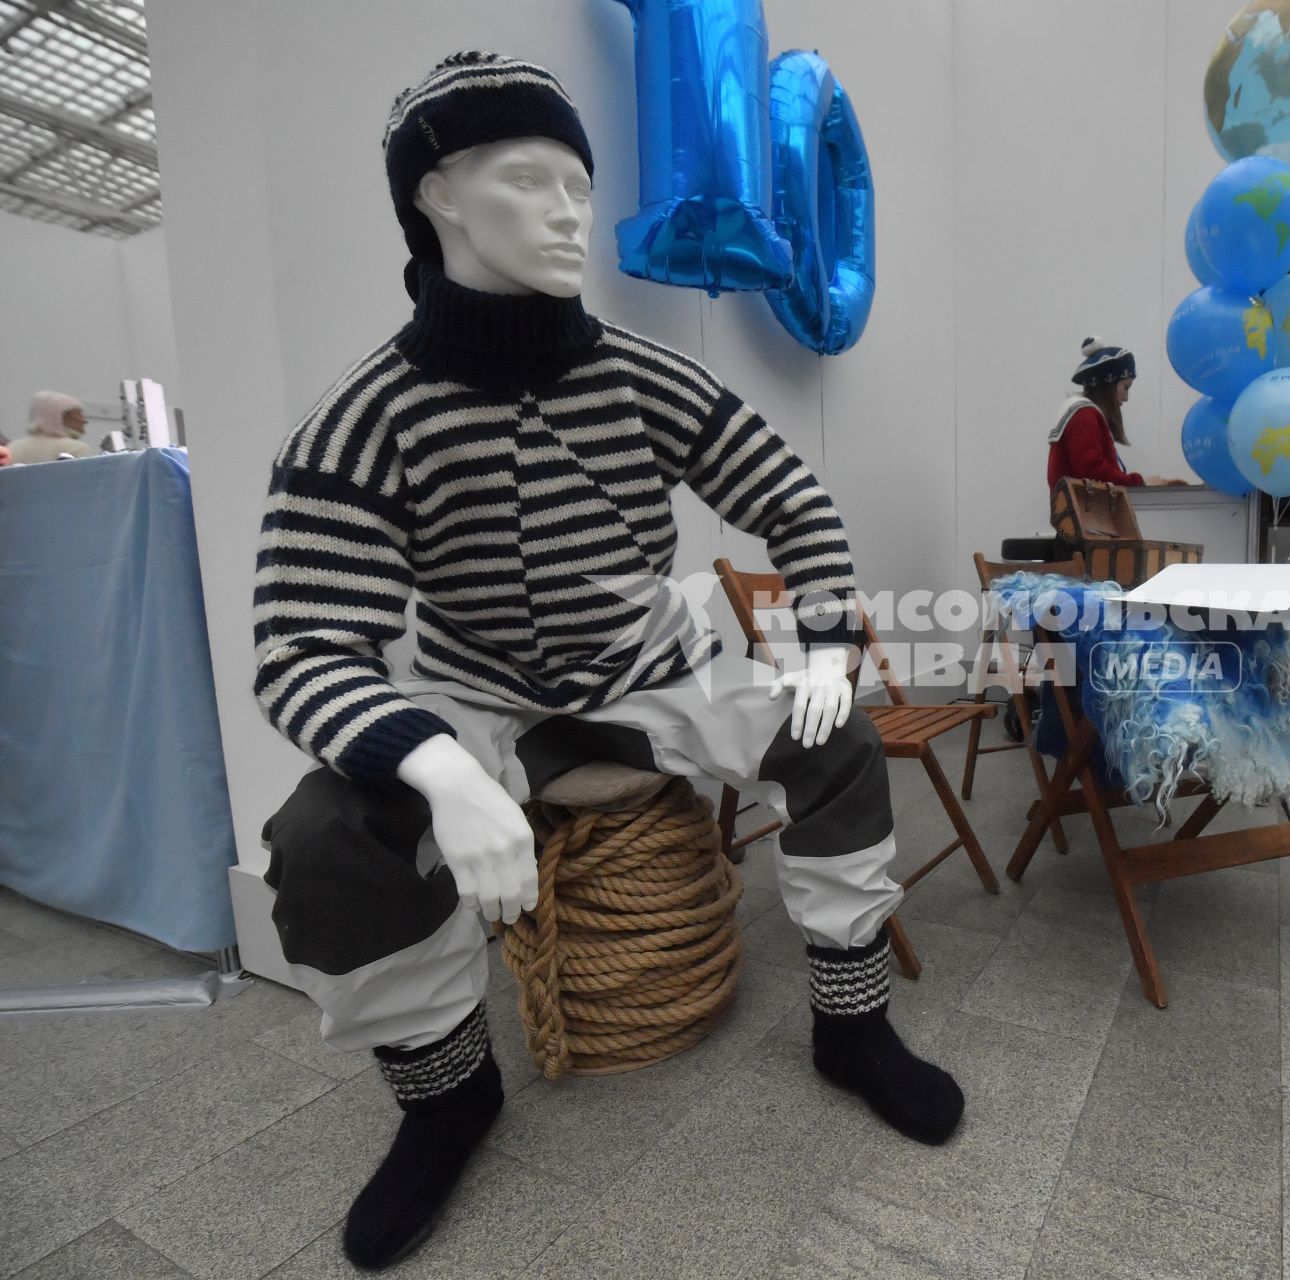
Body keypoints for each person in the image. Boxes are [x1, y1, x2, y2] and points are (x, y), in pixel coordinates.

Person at [252, 54, 960, 1271]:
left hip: (656, 672)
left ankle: (852, 1023)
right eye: (531, 178)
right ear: (435, 196)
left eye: (581, 181)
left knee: (833, 736)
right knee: (323, 838)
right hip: (473, 694)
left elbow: (789, 493)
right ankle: (444, 1095)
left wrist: (829, 634)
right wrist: (436, 766)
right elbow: (301, 641)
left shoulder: (643, 373)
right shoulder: (361, 418)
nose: (575, 209)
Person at [1046, 337, 1183, 491]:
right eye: (1126, 387)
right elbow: (1093, 472)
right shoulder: (1084, 416)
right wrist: (1138, 482)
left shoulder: (1082, 413)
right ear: (1109, 383)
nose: (1126, 397)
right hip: (1086, 514)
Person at [8, 391, 99, 464]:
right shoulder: (76, 449)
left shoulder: (12, 448)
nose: (84, 420)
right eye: (79, 414)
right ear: (62, 417)